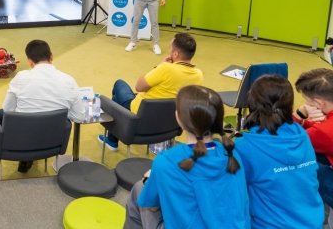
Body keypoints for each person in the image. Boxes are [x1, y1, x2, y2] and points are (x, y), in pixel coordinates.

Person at [124, 85, 249, 229]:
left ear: (179, 119)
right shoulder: (232, 153)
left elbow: (151, 205)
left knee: (139, 189)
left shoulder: (167, 161)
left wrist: (149, 179)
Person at [234, 74, 323, 228]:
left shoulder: (245, 146)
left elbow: (233, 195)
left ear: (252, 102)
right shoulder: (301, 135)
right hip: (312, 222)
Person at [99, 32, 203, 151]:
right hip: (171, 125)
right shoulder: (199, 75)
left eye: (170, 48)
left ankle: (112, 139)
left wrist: (160, 66)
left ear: (175, 54)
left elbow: (139, 86)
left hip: (138, 116)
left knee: (119, 85)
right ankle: (113, 138)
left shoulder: (166, 68)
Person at [1, 39, 85, 172]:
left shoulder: (21, 77)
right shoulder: (69, 80)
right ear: (51, 57)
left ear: (30, 62)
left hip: (21, 138)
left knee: (0, 114)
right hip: (53, 141)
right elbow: (80, 117)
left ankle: (25, 156)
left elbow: (7, 110)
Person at [294, 68, 333, 215]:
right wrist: (307, 123)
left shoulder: (323, 132)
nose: (306, 103)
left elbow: (286, 139)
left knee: (299, 161)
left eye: (307, 101)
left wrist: (299, 114)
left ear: (318, 103)